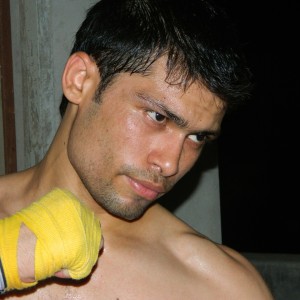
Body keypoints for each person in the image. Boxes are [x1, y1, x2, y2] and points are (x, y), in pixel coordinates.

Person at [0, 0, 274, 298]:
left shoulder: (220, 287)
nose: (171, 164)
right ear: (79, 80)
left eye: (197, 137)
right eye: (158, 116)